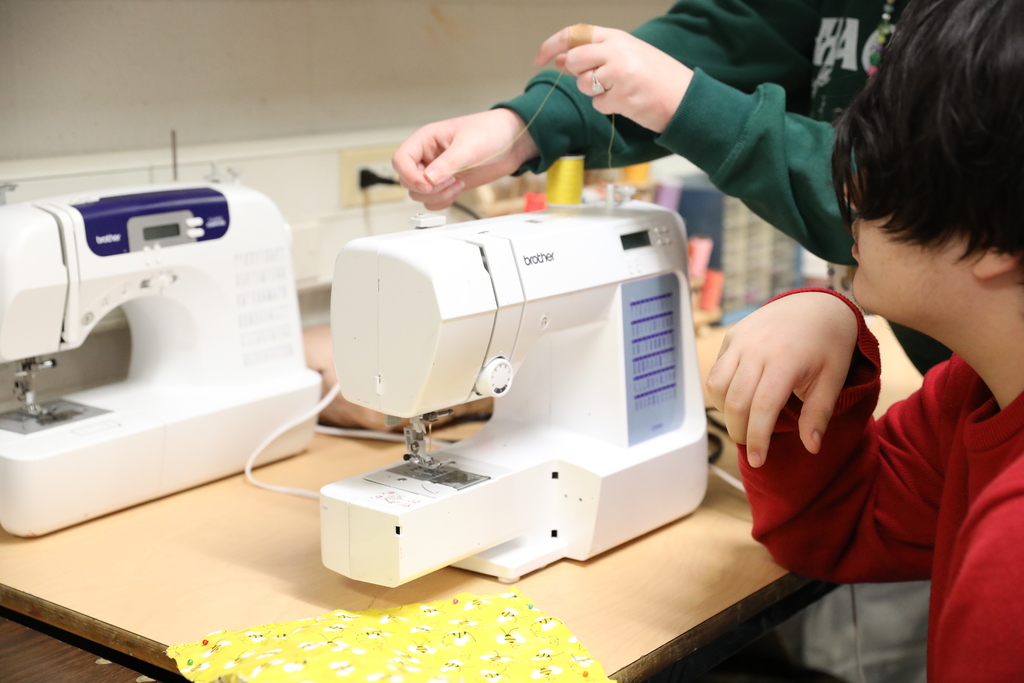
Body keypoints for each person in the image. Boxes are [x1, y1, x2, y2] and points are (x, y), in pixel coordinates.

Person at [391, 3, 933, 679]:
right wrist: (523, 126)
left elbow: (906, 188)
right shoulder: (950, 421)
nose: (851, 197)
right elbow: (739, 30)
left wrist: (685, 101)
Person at [704, 0, 1024, 678]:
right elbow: (842, 524)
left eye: (883, 157)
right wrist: (827, 325)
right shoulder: (978, 390)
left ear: (995, 236)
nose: (847, 186)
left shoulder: (1013, 560)